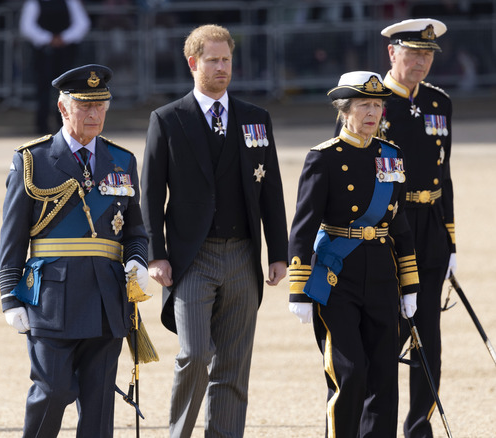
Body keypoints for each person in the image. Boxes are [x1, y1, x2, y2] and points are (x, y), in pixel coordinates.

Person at [140, 24, 288, 437]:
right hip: (192, 258)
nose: (222, 68)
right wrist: (156, 254)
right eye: (213, 60)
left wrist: (278, 252)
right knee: (195, 353)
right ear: (193, 63)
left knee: (234, 363)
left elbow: (271, 190)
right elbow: (150, 194)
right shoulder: (168, 120)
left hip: (243, 253)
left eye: (226, 60)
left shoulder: (256, 119)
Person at [0, 64, 149, 437]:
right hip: (52, 297)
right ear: (64, 109)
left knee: (99, 406)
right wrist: (9, 296)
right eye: (85, 106)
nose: (95, 113)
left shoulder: (122, 160)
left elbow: (135, 229)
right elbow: (13, 235)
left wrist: (137, 259)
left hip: (106, 297)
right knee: (53, 390)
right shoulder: (32, 160)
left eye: (101, 104)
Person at [287, 71, 420, 437]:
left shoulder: (392, 156)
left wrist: (409, 284)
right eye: (364, 104)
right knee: (350, 372)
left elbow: (400, 224)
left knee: (383, 376)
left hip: (381, 275)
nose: (372, 112)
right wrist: (298, 287)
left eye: (377, 105)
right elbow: (303, 223)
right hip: (336, 276)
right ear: (344, 111)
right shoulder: (323, 158)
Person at [379, 18, 456, 438]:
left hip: (431, 230)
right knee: (385, 337)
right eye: (414, 52)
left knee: (430, 337)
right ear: (393, 53)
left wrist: (451, 238)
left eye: (428, 54)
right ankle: (379, 427)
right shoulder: (370, 101)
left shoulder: (439, 102)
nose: (421, 61)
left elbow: (446, 176)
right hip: (390, 230)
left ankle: (418, 427)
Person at [19, 0, 90, 134]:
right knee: (43, 90)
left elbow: (82, 24)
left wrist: (64, 38)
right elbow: (27, 26)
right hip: (43, 53)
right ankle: (41, 126)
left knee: (67, 91)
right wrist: (48, 39)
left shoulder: (71, 2)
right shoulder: (34, 3)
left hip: (66, 53)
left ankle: (66, 125)